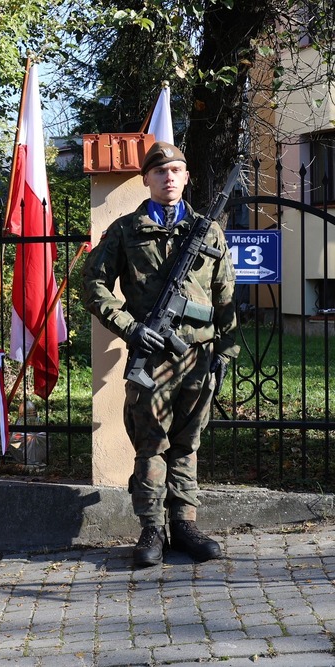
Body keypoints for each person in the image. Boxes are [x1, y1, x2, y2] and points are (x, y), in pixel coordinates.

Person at [81, 141, 239, 568]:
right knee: (152, 446)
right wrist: (131, 328)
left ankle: (184, 523)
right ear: (146, 179)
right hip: (151, 359)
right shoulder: (125, 230)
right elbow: (92, 286)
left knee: (187, 444)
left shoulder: (208, 232)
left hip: (198, 357)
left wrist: (226, 348)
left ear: (186, 177)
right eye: (159, 171)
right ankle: (151, 528)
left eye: (176, 170)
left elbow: (225, 296)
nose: (168, 177)